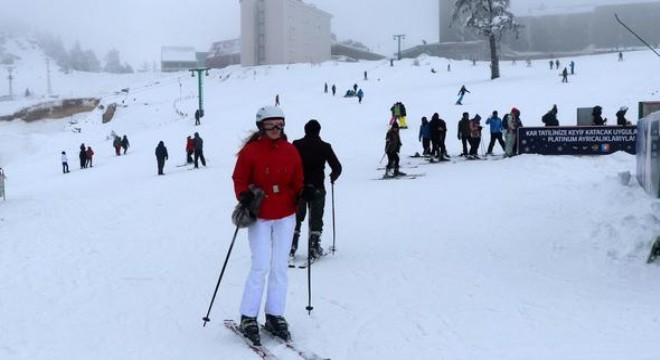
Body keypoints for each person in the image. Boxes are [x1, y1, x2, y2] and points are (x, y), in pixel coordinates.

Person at [232, 105, 303, 346]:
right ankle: (248, 316)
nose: (276, 128)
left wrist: (304, 193)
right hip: (261, 215)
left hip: (285, 214)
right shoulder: (251, 151)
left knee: (280, 266)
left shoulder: (290, 150)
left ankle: (274, 314)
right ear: (261, 126)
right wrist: (243, 195)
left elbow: (297, 180)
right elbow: (239, 178)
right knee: (261, 265)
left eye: (280, 124)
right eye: (270, 124)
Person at [290, 119, 342, 260]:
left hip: (299, 188)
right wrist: (333, 177)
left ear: (305, 130)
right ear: (319, 131)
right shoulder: (325, 146)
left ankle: (291, 245)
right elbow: (337, 167)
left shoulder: (296, 145)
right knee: (316, 217)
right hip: (317, 187)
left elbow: (289, 164)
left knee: (296, 217)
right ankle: (314, 246)